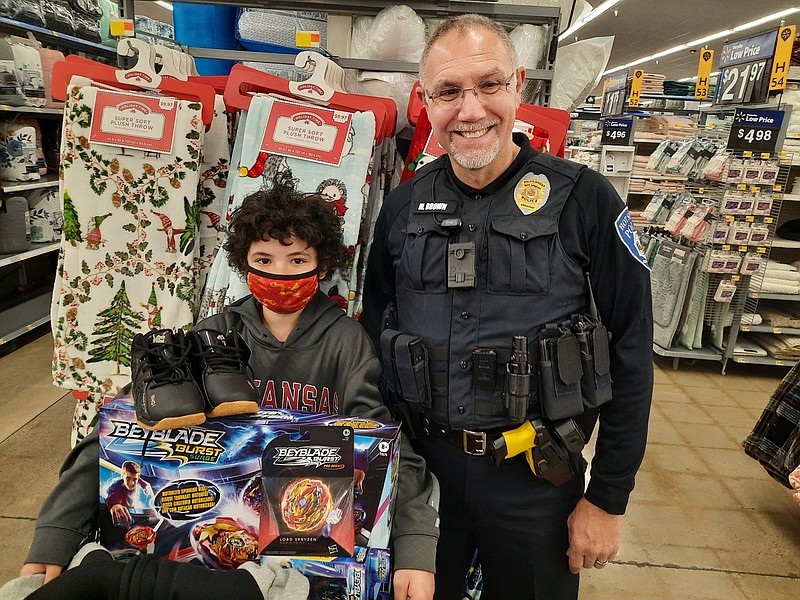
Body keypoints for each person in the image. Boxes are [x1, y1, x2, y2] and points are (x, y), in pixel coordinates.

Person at [10, 173, 438, 600]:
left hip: (309, 542)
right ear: (243, 262)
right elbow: (118, 428)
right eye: (264, 259)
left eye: (297, 260)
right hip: (210, 547)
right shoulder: (213, 334)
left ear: (322, 265)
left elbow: (386, 447)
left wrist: (416, 545)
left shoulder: (347, 341)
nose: (280, 273)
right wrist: (57, 530)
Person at [360, 14, 653, 600]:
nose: (470, 111)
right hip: (423, 475)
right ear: (425, 102)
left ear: (519, 85)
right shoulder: (401, 208)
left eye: (488, 84)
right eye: (448, 92)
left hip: (537, 480)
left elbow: (631, 353)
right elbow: (371, 339)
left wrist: (607, 498)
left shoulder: (585, 199)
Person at [105, 461, 154, 529]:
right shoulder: (117, 489)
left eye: (135, 479)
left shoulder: (137, 479)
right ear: (122, 476)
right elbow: (111, 498)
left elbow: (143, 483)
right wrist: (114, 505)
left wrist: (146, 487)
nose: (131, 483)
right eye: (128, 478)